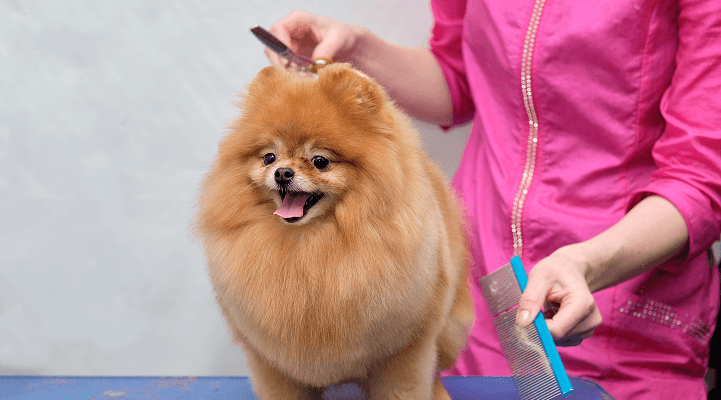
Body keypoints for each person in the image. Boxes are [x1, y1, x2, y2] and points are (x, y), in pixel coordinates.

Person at [263, 1, 721, 398]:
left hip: (616, 305)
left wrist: (587, 263)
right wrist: (355, 48)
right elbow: (458, 79)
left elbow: (701, 179)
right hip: (474, 294)